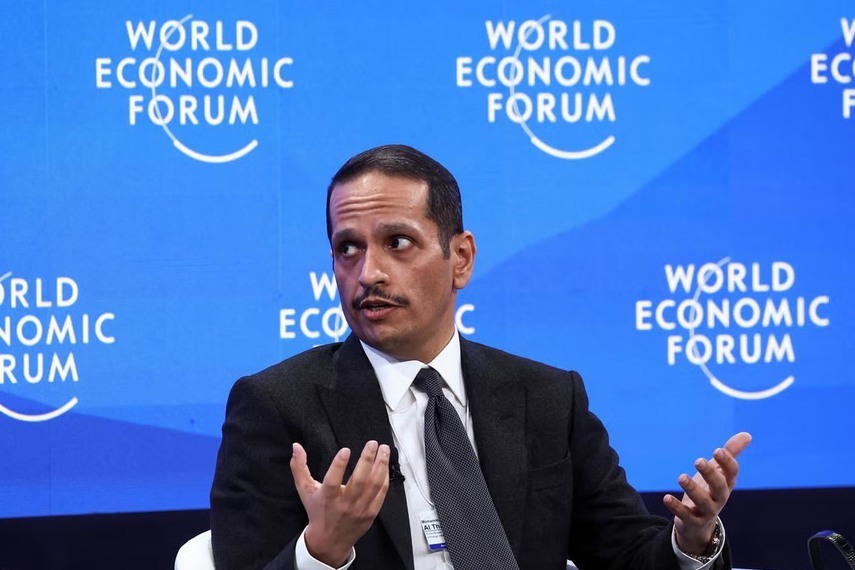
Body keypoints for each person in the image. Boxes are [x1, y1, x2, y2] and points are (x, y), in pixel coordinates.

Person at [210, 144, 751, 570]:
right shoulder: (277, 408)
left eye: (397, 242)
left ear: (461, 258)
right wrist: (320, 551)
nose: (368, 273)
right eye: (348, 248)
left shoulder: (547, 398)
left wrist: (691, 539)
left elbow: (626, 554)